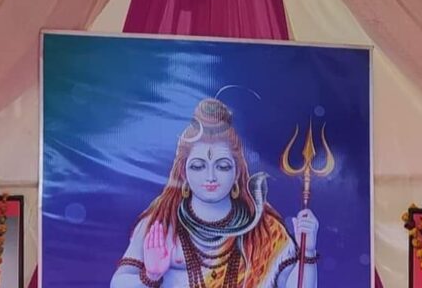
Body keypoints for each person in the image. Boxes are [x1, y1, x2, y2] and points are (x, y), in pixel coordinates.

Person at [110, 98, 320, 287]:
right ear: (182, 172)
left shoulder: (264, 229)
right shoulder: (161, 223)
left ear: (238, 171)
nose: (210, 177)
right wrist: (151, 275)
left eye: (222, 166)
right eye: (198, 166)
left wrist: (308, 251)